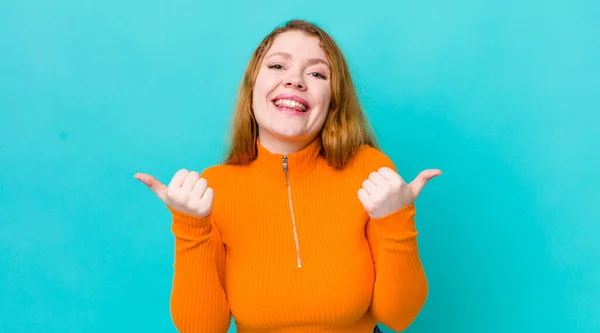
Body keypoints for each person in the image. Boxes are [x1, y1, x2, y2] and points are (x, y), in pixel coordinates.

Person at [135, 19, 441, 333]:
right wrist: (190, 226)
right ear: (252, 87)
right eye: (278, 66)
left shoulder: (368, 170)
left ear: (333, 99)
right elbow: (201, 329)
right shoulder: (213, 189)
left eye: (317, 73)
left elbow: (399, 316)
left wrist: (396, 219)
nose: (295, 80)